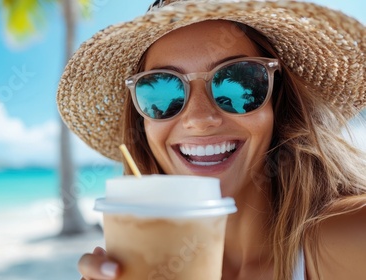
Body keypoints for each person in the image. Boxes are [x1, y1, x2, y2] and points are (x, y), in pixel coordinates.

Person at [56, 0, 366, 279]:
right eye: (161, 92)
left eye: (240, 81)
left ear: (278, 102)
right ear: (143, 122)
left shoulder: (351, 238)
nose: (199, 119)